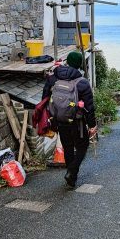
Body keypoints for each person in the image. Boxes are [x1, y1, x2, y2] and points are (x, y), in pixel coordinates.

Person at [43, 50, 96, 189]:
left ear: (67, 62)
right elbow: (89, 107)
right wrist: (92, 125)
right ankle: (72, 172)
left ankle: (71, 177)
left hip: (59, 120)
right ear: (79, 65)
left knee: (67, 147)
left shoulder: (53, 78)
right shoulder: (82, 83)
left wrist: (50, 115)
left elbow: (45, 98)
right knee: (82, 147)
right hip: (77, 122)